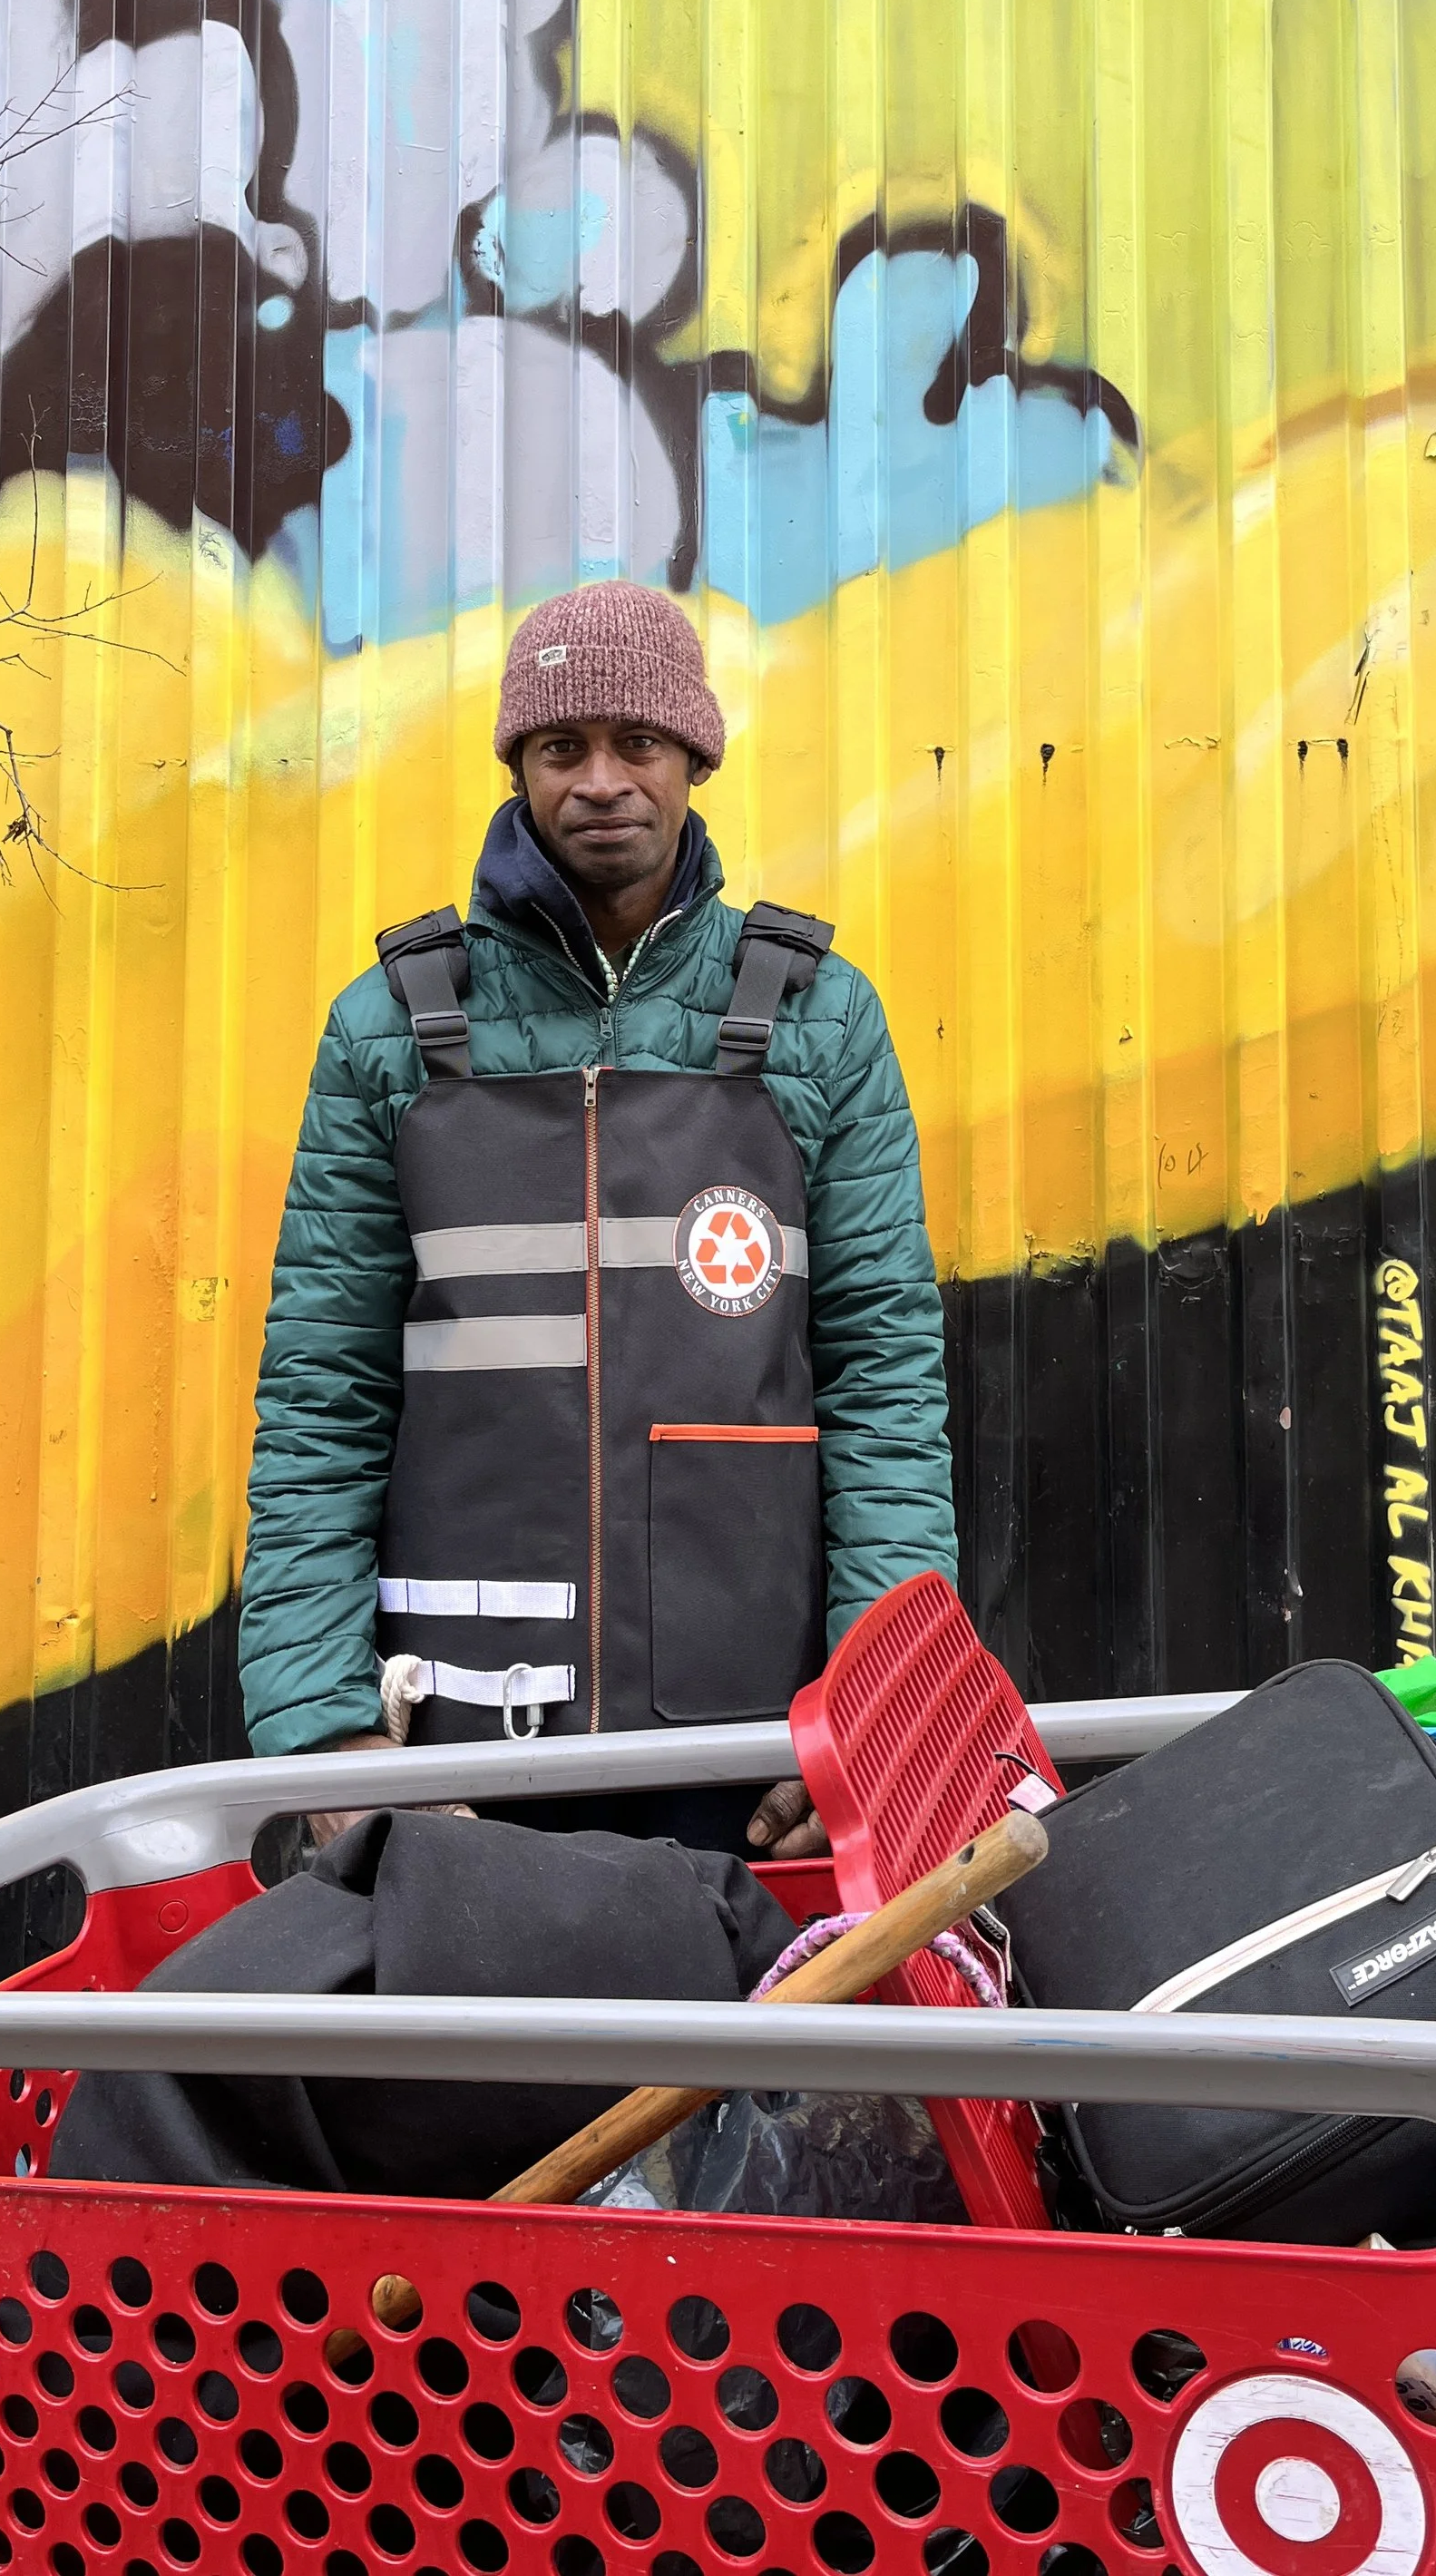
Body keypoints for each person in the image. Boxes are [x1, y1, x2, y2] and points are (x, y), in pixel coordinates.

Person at [238, 581, 958, 1857]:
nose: (602, 781)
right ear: (519, 765)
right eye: (561, 748)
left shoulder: (819, 1019)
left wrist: (879, 1714)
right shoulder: (392, 1027)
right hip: (451, 1760)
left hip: (748, 1765)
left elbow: (884, 1384)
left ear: (695, 757)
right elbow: (320, 1401)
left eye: (639, 743)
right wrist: (321, 1729)